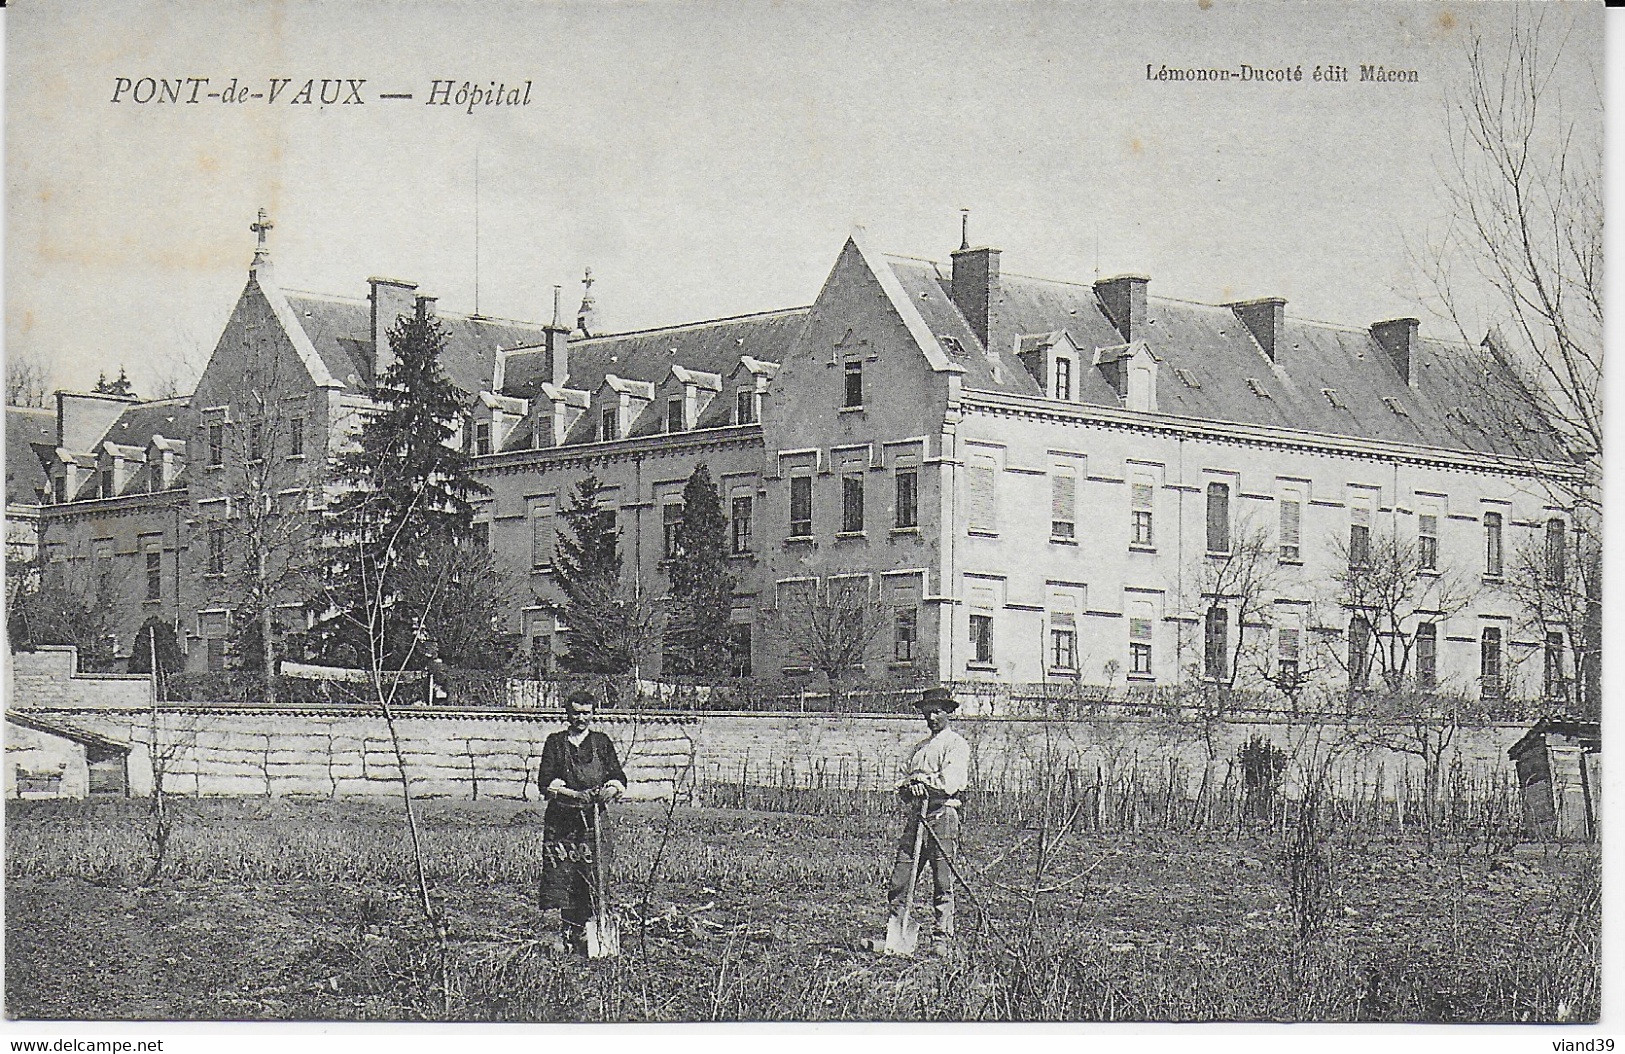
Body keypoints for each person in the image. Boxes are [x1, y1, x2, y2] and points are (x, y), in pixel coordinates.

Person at [538, 689, 628, 954]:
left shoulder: (601, 742)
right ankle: (568, 931)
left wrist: (607, 792)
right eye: (576, 713)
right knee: (565, 873)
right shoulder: (555, 743)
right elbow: (546, 781)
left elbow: (617, 776)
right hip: (563, 822)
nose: (581, 718)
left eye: (586, 713)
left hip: (594, 822)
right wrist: (575, 795)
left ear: (593, 714)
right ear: (568, 713)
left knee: (595, 874)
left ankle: (594, 931)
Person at [888, 684, 971, 956]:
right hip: (916, 818)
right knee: (901, 878)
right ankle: (897, 935)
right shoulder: (918, 748)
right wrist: (911, 785)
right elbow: (901, 782)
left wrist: (923, 782)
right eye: (927, 713)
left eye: (937, 712)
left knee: (942, 881)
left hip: (942, 816)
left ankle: (941, 938)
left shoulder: (956, 745)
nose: (931, 718)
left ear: (948, 712)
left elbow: (949, 783)